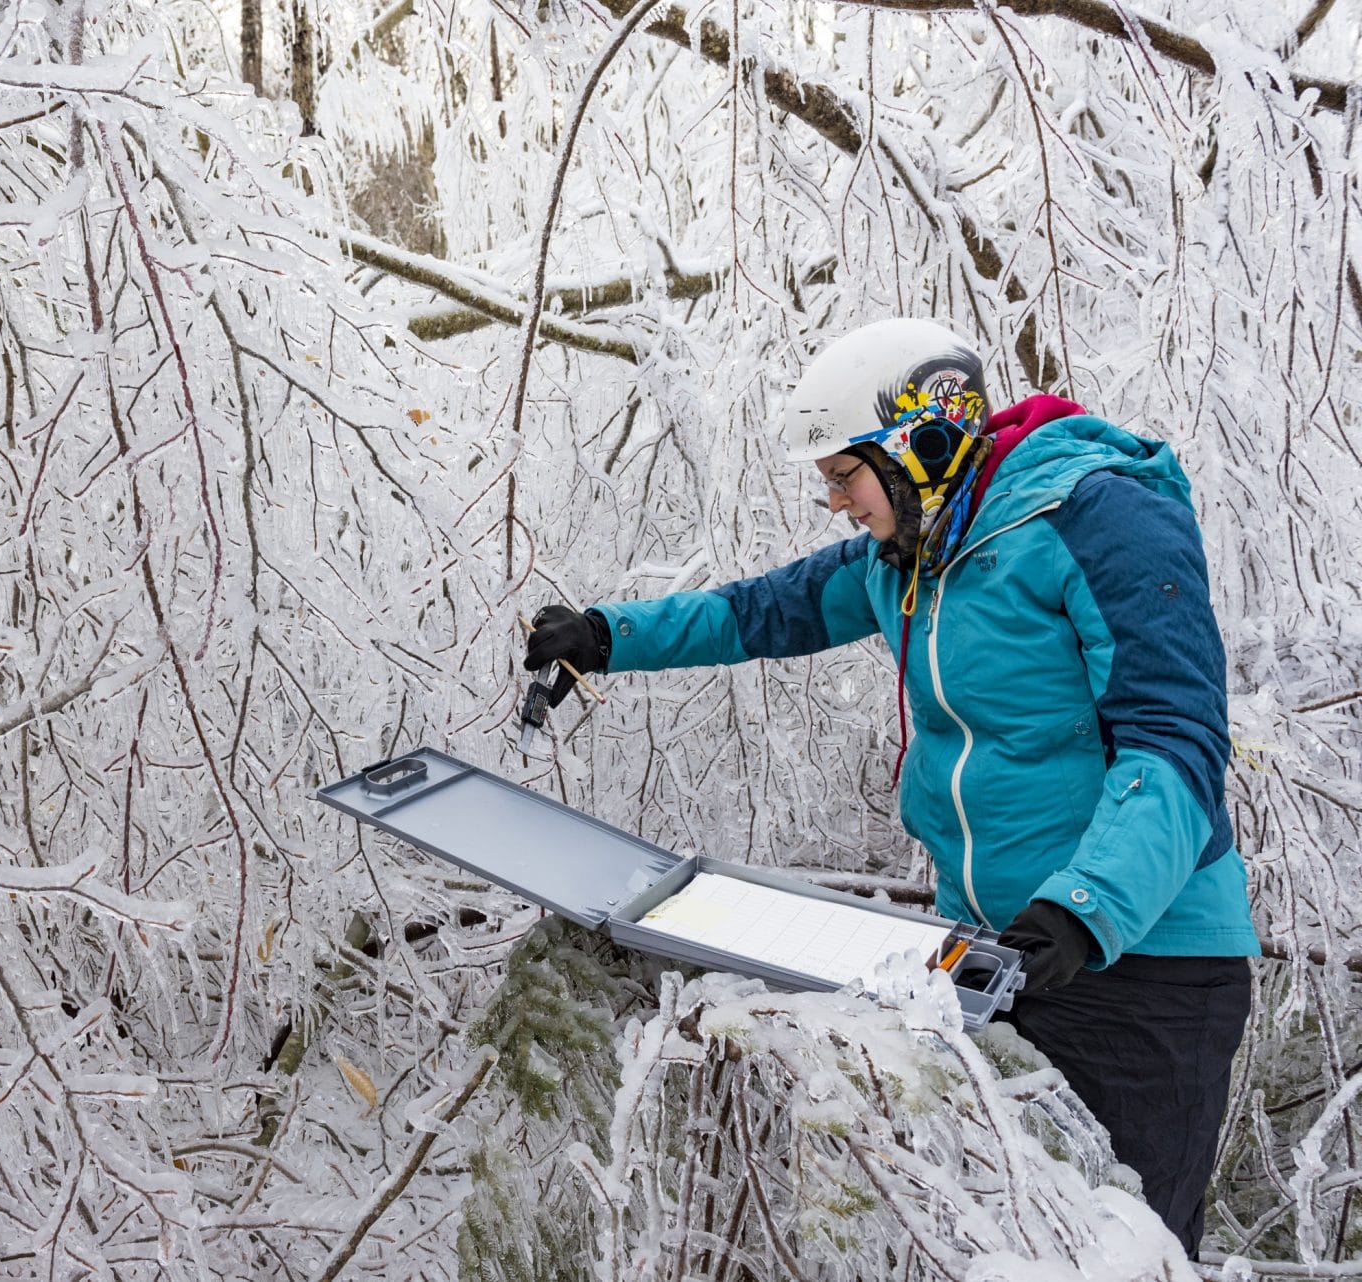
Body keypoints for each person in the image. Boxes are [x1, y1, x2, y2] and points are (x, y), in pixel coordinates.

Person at [524, 319, 1258, 1256]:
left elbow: (1176, 741)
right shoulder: (909, 553)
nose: (832, 501)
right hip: (995, 961)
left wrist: (1083, 908)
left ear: (925, 444)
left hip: (1144, 967)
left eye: (844, 475)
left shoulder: (1098, 518)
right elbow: (761, 611)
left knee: (1121, 1250)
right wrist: (607, 635)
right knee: (1003, 1249)